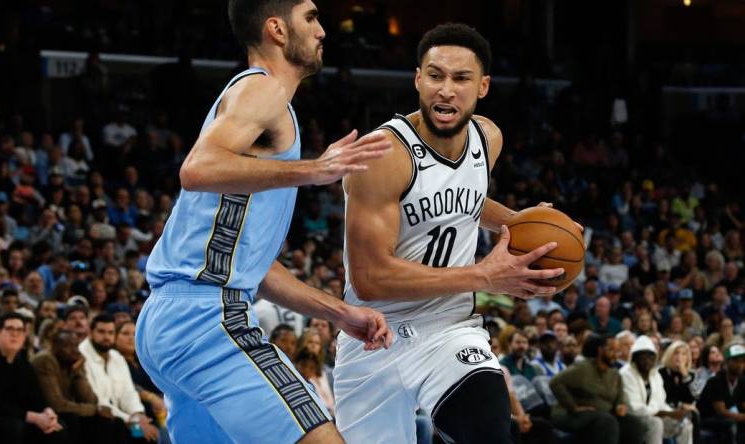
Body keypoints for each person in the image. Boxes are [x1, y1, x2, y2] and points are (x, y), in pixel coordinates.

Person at [135, 2, 395, 442]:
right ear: (276, 28)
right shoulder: (263, 91)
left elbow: (256, 267)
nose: (322, 31)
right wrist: (316, 170)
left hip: (171, 318)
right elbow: (196, 169)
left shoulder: (261, 108)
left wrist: (338, 311)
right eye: (310, 17)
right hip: (208, 317)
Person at [336, 23, 569, 443]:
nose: (446, 89)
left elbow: (465, 199)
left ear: (482, 86)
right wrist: (485, 276)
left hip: (450, 328)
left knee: (487, 430)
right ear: (418, 79)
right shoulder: (383, 155)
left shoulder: (487, 138)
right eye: (435, 75)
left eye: (460, 78)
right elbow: (370, 279)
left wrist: (520, 223)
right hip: (374, 333)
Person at [0, 312, 66, 444]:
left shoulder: (21, 359)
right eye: (10, 329)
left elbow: (36, 393)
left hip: (18, 416)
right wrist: (33, 417)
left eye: (20, 330)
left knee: (59, 425)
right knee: (13, 427)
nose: (15, 334)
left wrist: (47, 411)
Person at [31, 329, 128, 444]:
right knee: (71, 420)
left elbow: (91, 399)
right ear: (55, 347)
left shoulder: (72, 361)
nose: (75, 351)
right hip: (42, 413)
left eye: (76, 346)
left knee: (115, 422)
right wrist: (95, 410)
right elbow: (57, 405)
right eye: (68, 346)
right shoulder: (46, 360)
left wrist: (78, 373)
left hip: (65, 412)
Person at [549, 334, 643, 444]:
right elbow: (555, 382)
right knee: (608, 421)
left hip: (602, 415)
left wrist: (620, 405)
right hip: (571, 415)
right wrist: (573, 406)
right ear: (600, 350)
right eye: (612, 351)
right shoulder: (583, 368)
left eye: (617, 352)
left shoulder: (614, 374)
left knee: (634, 423)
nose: (615, 356)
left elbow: (619, 397)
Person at [80, 315, 157, 443]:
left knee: (147, 436)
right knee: (120, 428)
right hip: (97, 418)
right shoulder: (82, 355)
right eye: (101, 332)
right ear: (90, 333)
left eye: (110, 332)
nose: (106, 337)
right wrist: (130, 419)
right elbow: (98, 400)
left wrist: (138, 414)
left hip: (124, 419)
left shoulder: (116, 357)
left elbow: (128, 392)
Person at [619, 335, 693, 444]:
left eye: (650, 357)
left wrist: (673, 413)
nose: (647, 361)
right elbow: (635, 409)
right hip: (632, 419)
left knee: (684, 423)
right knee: (656, 423)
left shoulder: (655, 375)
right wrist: (662, 413)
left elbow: (661, 403)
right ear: (634, 358)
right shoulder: (626, 374)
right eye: (643, 357)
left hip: (654, 415)